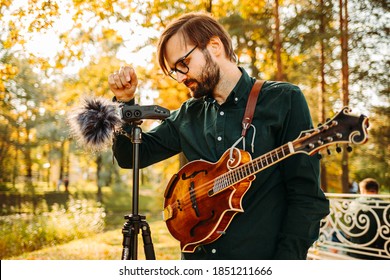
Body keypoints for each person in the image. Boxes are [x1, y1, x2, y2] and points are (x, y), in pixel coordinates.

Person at [108, 12, 330, 260]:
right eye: (174, 71)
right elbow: (130, 157)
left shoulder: (284, 100)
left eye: (183, 64)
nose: (180, 77)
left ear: (214, 47)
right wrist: (123, 103)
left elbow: (306, 197)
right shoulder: (188, 115)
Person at [348, 178, 387, 259]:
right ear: (376, 190)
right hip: (378, 253)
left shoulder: (353, 204)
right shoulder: (385, 206)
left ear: (362, 190)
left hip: (355, 250)